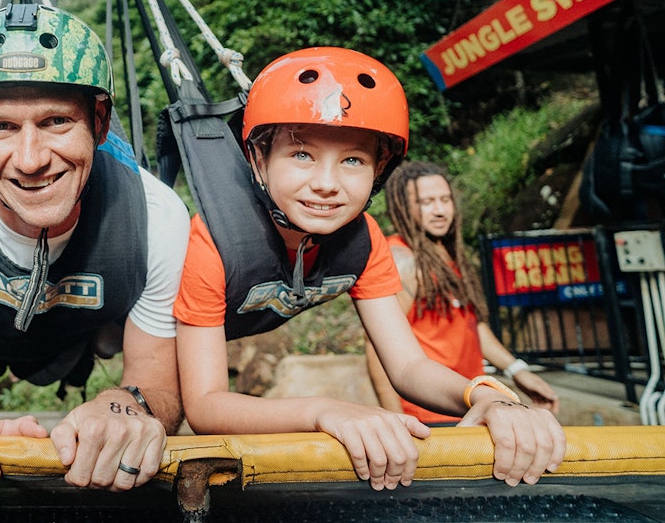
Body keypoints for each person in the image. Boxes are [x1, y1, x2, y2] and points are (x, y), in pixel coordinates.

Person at [174, 47, 567, 491]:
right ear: (258, 160)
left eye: (353, 161)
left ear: (379, 170)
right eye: (301, 155)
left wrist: (486, 395)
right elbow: (205, 406)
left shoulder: (364, 241)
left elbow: (409, 368)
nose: (326, 183)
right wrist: (324, 410)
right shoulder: (211, 239)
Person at [0, 3, 189, 491]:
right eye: (2, 127)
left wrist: (123, 408)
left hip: (77, 340)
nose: (31, 160)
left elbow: (159, 384)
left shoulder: (156, 216)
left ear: (100, 123)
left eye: (56, 122)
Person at [365, 159, 560, 424]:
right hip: (427, 416)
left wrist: (517, 370)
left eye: (445, 200)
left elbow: (471, 325)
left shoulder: (445, 255)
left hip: (470, 404)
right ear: (403, 206)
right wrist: (397, 423)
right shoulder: (401, 260)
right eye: (427, 202)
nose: (439, 210)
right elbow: (377, 349)